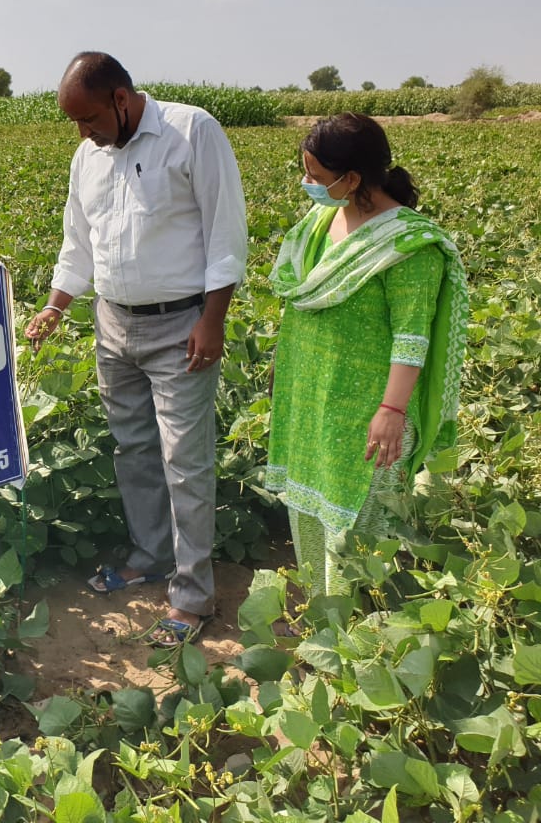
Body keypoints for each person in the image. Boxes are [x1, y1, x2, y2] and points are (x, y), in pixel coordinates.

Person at [26, 52, 248, 647]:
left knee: (185, 461)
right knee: (134, 449)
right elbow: (78, 242)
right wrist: (55, 306)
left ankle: (192, 595)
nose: (83, 133)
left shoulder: (191, 131)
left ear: (121, 99)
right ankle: (151, 555)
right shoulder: (88, 157)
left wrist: (212, 319)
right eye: (75, 122)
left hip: (182, 327)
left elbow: (226, 233)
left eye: (90, 118)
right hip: (113, 325)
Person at [266, 113, 467, 597]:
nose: (308, 183)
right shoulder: (320, 223)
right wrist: (284, 367)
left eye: (316, 175)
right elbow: (304, 310)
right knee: (310, 508)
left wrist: (392, 411)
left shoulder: (408, 244)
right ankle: (319, 610)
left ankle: (352, 622)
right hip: (314, 400)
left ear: (352, 179)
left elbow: (412, 338)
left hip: (369, 414)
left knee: (357, 528)